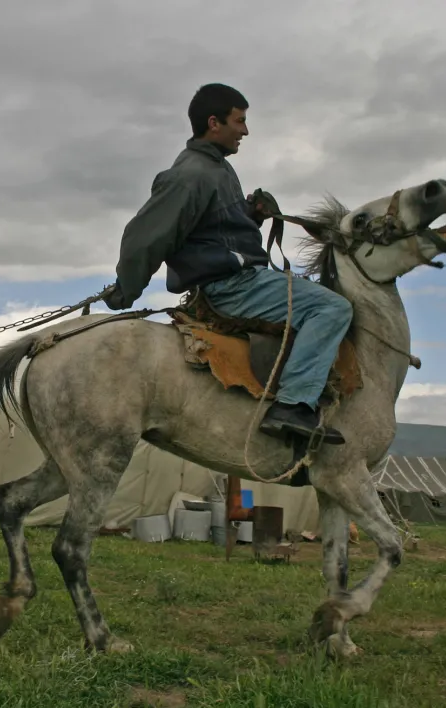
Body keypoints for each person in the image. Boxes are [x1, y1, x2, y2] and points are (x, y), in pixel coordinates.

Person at [104, 83, 352, 445]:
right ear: (213, 123)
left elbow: (216, 235)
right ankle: (294, 407)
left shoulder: (216, 168)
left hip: (242, 278)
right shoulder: (190, 176)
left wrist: (251, 215)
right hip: (234, 287)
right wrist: (127, 289)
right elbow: (145, 237)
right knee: (332, 309)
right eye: (240, 121)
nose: (246, 131)